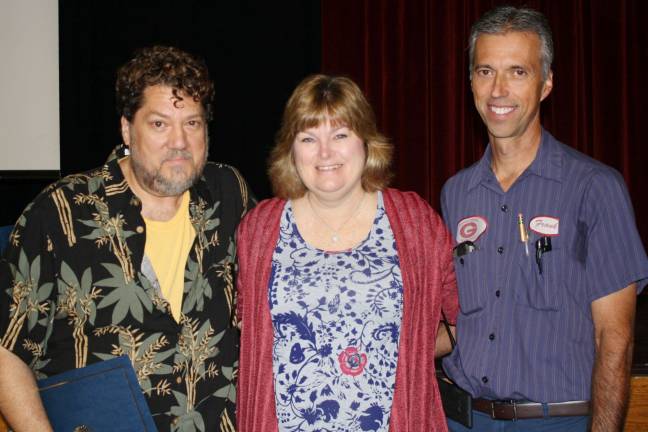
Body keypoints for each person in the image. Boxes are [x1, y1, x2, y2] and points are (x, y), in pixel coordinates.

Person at [0, 45, 253, 431]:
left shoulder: (229, 194)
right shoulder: (61, 212)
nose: (179, 142)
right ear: (126, 129)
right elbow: (6, 349)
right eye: (159, 124)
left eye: (192, 123)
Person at [440, 6, 648, 431]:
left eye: (518, 72)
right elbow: (454, 322)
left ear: (546, 83)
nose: (498, 90)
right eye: (485, 71)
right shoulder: (455, 194)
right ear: (471, 83)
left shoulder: (594, 188)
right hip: (464, 420)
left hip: (558, 421)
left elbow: (615, 339)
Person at [236, 74, 458, 432]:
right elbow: (249, 329)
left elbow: (464, 317)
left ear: (366, 142)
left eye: (340, 135)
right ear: (291, 150)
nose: (325, 153)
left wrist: (408, 354)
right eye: (309, 138)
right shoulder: (259, 230)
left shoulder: (415, 222)